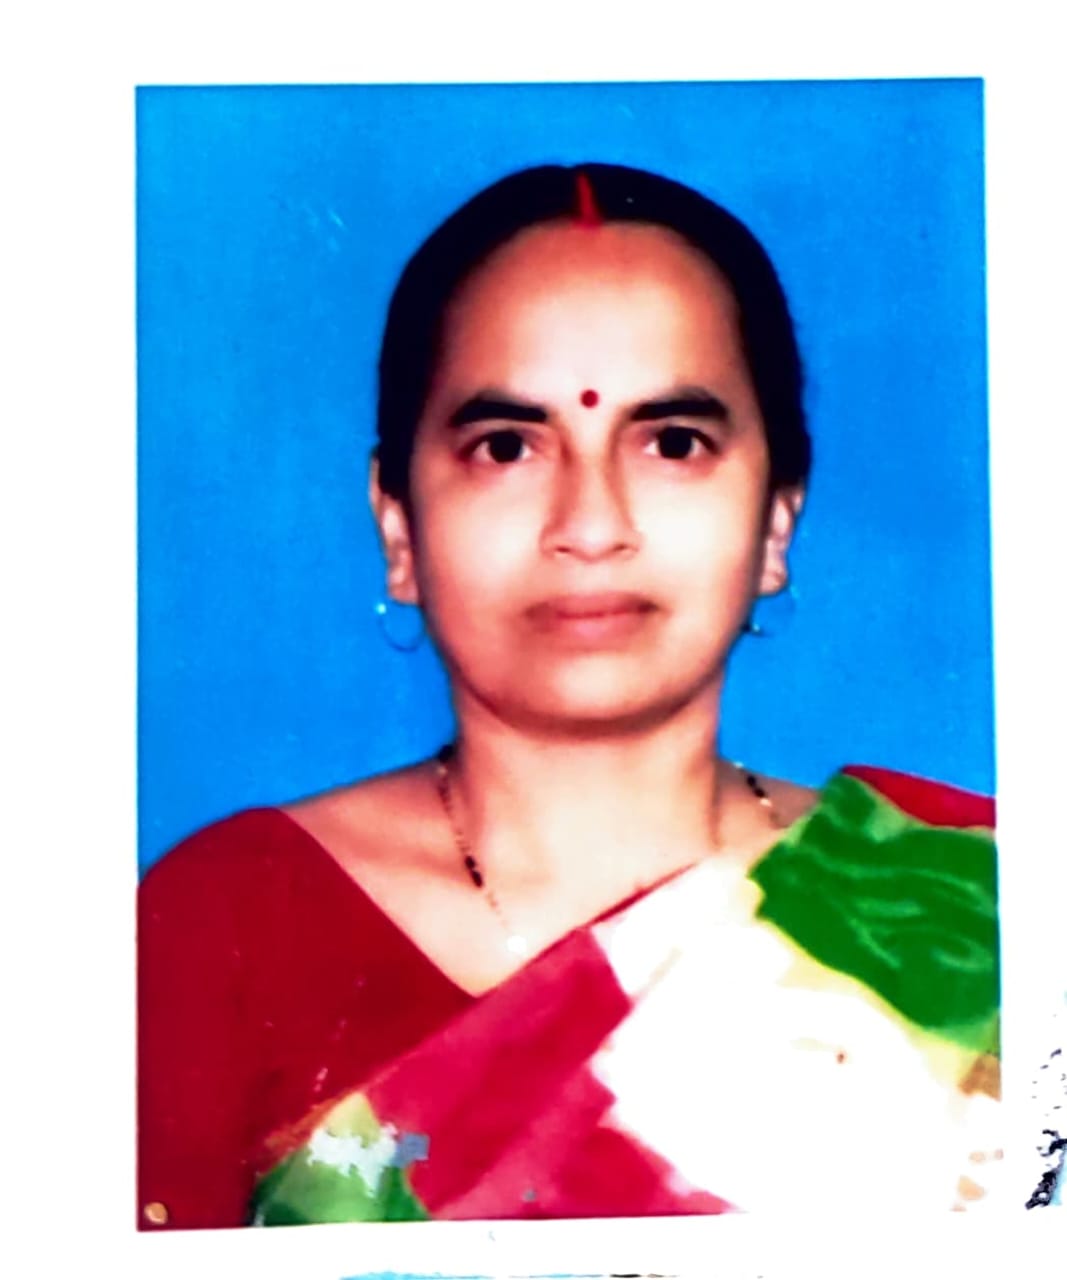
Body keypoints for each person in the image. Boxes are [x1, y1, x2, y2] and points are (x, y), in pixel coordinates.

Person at [137, 163, 999, 1229]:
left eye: (672, 442)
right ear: (398, 525)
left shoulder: (973, 907)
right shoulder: (228, 931)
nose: (590, 526)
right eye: (506, 446)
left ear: (776, 520)